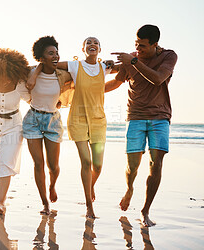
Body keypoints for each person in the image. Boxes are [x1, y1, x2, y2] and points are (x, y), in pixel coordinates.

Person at [28, 37, 115, 218]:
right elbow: (49, 64)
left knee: (97, 166)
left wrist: (122, 65)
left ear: (100, 48)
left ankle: (90, 185)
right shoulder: (74, 66)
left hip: (98, 120)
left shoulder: (104, 68)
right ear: (83, 48)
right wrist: (36, 72)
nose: (92, 45)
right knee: (86, 162)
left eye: (96, 43)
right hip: (78, 120)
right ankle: (89, 206)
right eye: (88, 43)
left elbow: (122, 73)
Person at [105, 24, 178, 226]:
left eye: (143, 46)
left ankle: (145, 211)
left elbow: (158, 79)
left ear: (155, 44)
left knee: (156, 164)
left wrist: (134, 61)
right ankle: (129, 188)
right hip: (135, 117)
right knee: (132, 166)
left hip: (159, 117)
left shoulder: (168, 56)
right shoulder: (132, 57)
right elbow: (117, 81)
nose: (138, 49)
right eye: (136, 44)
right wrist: (89, 91)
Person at [24, 36, 73, 215]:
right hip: (32, 120)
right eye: (50, 53)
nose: (56, 56)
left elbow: (83, 72)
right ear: (41, 58)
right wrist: (36, 72)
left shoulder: (63, 75)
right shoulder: (29, 72)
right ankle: (45, 203)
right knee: (39, 164)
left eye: (57, 53)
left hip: (53, 121)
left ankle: (52, 185)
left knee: (53, 166)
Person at [0, 47, 30, 215]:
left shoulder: (20, 83)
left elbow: (33, 100)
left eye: (10, 76)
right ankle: (2, 197)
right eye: (2, 75)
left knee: (5, 163)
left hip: (14, 126)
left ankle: (0, 203)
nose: (6, 80)